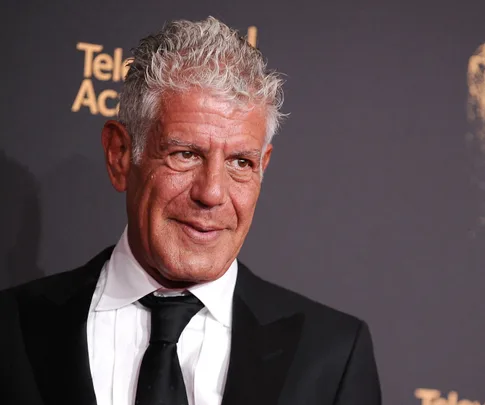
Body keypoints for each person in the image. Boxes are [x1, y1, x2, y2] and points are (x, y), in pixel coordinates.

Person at [0, 17, 381, 405]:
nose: (212, 193)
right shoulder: (10, 330)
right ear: (119, 156)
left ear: (263, 166)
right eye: (185, 154)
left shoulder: (331, 357)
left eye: (240, 163)